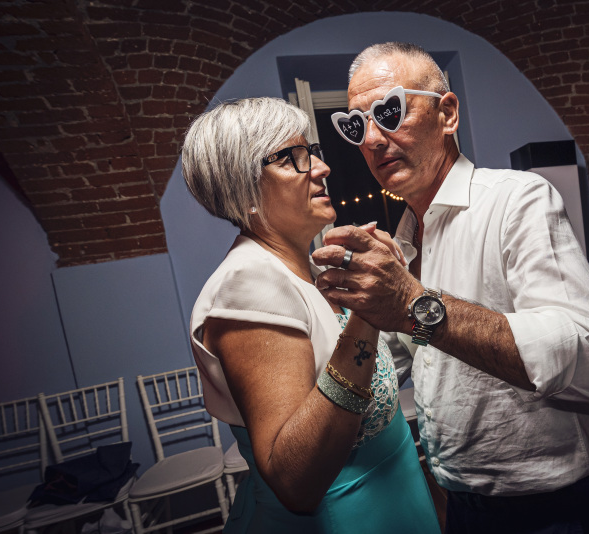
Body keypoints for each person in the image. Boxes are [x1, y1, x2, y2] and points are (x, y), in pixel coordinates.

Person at [312, 42, 589, 533]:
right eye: (355, 126)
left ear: (448, 114)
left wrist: (413, 303)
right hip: (459, 502)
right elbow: (391, 369)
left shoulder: (516, 201)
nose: (371, 139)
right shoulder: (402, 241)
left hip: (550, 507)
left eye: (389, 111)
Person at [182, 97, 441, 533]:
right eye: (292, 158)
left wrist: (396, 292)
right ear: (243, 187)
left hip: (395, 502)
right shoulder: (248, 285)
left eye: (312, 152)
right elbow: (296, 482)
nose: (322, 168)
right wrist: (367, 310)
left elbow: (371, 373)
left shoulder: (311, 271)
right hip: (344, 518)